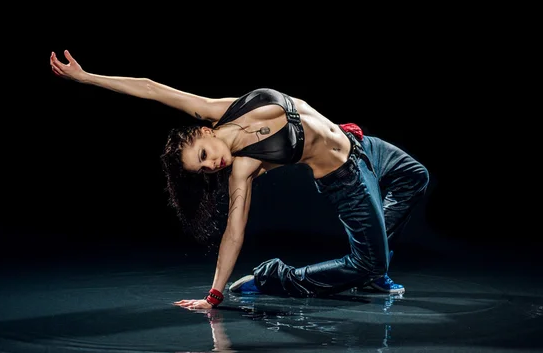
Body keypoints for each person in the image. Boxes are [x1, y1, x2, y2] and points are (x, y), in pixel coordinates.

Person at [50, 50, 430, 310]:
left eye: (202, 156)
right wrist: (213, 295)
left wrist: (85, 77)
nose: (211, 166)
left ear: (205, 130)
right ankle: (275, 277)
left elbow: (152, 88)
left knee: (415, 176)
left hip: (360, 143)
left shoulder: (225, 109)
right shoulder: (245, 167)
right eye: (203, 170)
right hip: (346, 179)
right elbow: (235, 231)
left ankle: (375, 264)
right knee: (367, 264)